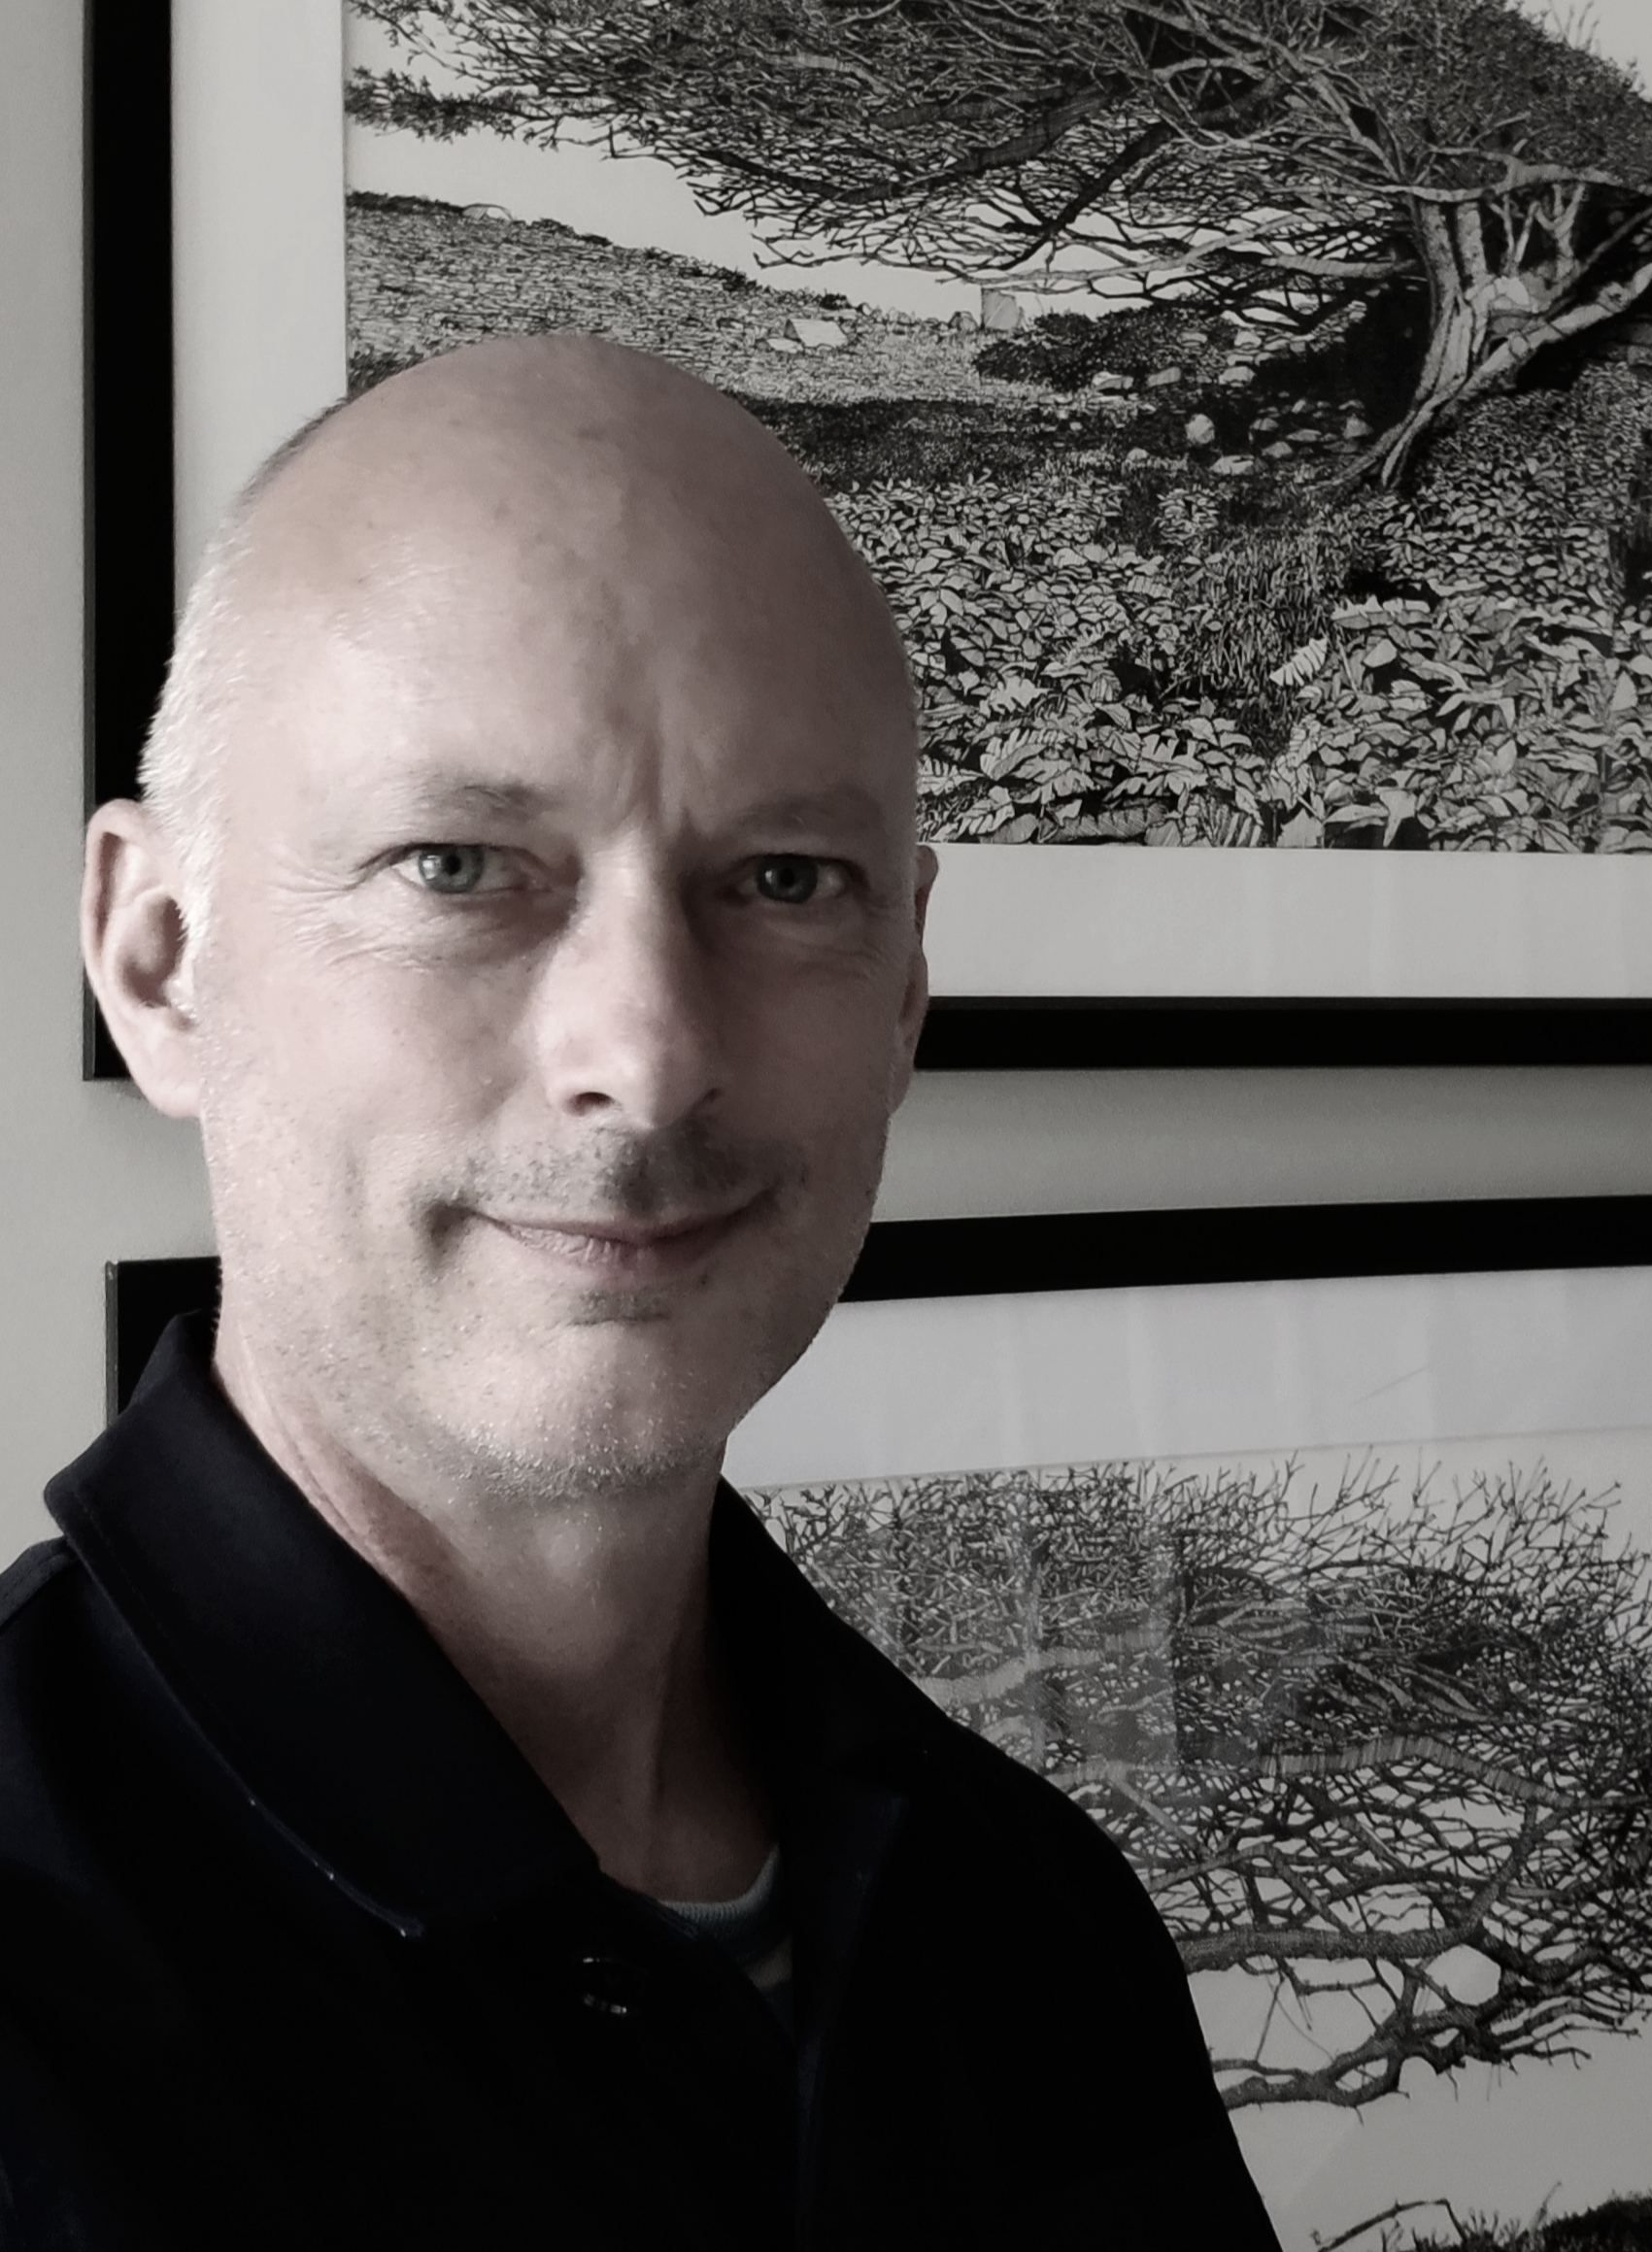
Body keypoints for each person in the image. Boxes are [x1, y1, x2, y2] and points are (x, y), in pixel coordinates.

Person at [0, 336, 1278, 2248]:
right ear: (161, 961)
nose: (651, 1054)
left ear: (906, 992)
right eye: (459, 866)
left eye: (784, 881)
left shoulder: (1029, 1910)